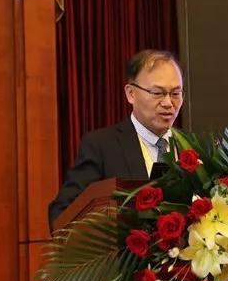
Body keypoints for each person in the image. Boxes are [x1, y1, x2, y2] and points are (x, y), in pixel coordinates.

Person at [48, 49, 185, 223]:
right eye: (157, 93)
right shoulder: (102, 146)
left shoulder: (193, 148)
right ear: (131, 94)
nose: (168, 103)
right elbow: (62, 214)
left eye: (175, 94)